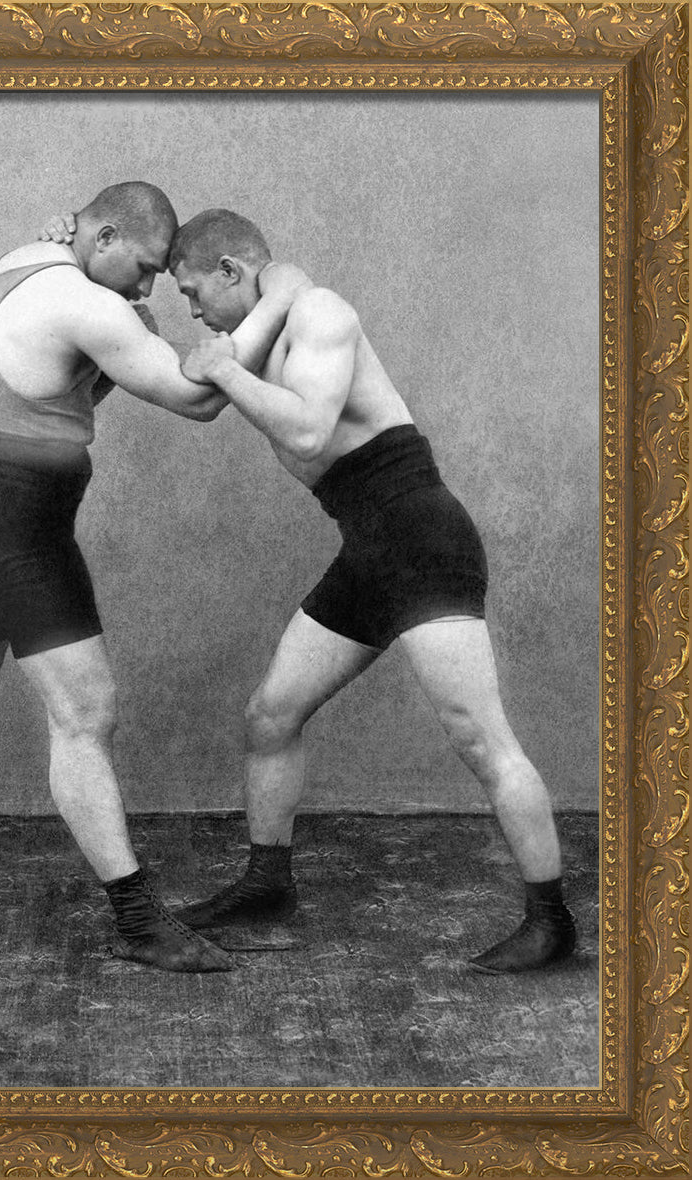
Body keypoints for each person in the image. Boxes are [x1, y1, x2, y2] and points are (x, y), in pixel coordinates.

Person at [0, 183, 302, 974]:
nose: (149, 287)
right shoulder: (86, 303)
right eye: (143, 268)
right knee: (86, 712)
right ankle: (140, 922)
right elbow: (198, 398)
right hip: (11, 521)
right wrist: (277, 299)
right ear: (105, 237)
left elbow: (83, 345)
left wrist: (103, 273)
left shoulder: (27, 259)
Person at [168, 208, 576, 974]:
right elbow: (218, 366)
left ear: (230, 270)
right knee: (270, 716)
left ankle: (552, 921)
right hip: (368, 547)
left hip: (420, 539)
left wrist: (224, 368)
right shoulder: (276, 316)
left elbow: (308, 431)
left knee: (480, 738)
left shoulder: (321, 312)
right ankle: (267, 884)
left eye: (193, 293)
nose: (193, 312)